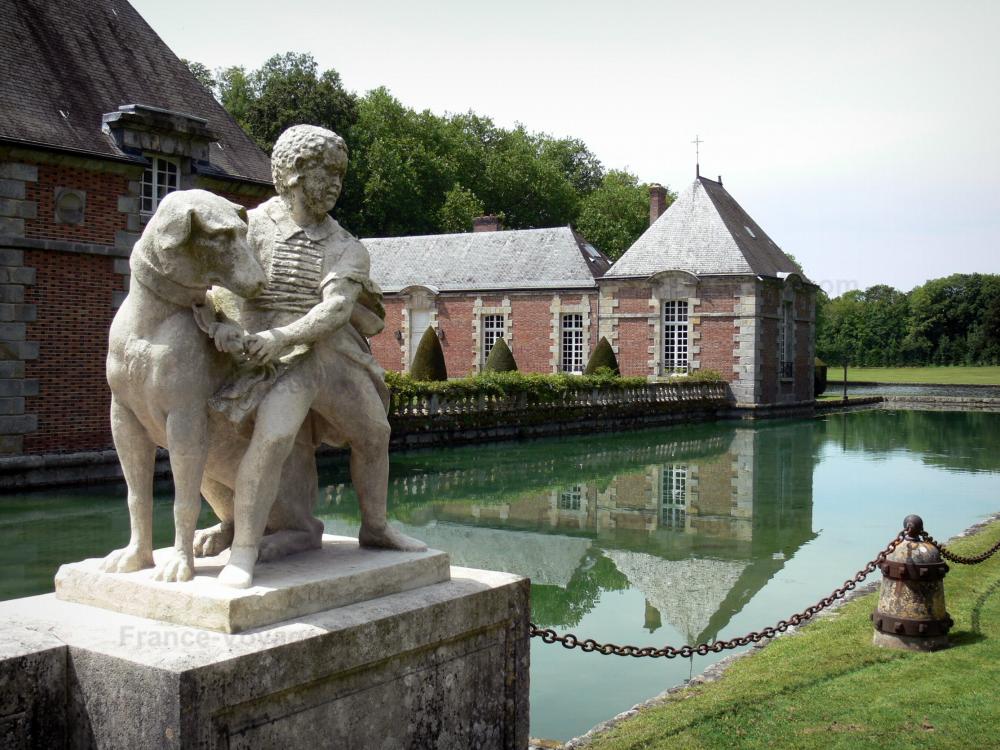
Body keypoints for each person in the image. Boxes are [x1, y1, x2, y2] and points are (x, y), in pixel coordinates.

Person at [212, 124, 425, 588]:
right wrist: (230, 332)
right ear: (292, 172)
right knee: (272, 438)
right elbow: (220, 286)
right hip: (267, 352)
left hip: (324, 350)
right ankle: (243, 548)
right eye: (324, 171)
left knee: (374, 431)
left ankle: (376, 527)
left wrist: (283, 337)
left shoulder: (345, 245)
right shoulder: (249, 227)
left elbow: (336, 309)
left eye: (340, 175)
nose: (334, 184)